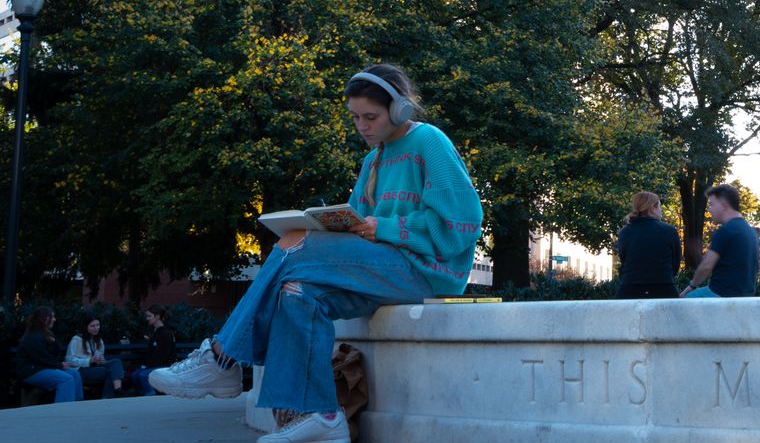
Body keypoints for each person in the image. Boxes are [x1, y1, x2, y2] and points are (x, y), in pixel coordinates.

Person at [150, 63, 483, 443]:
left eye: (370, 117)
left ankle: (221, 358)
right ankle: (322, 416)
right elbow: (359, 221)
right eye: (355, 117)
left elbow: (462, 224)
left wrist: (384, 227)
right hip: (380, 269)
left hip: (425, 271)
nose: (361, 126)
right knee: (298, 292)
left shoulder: (429, 141)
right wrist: (341, 226)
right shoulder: (372, 160)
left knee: (295, 243)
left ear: (399, 109)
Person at [680, 183, 759, 298]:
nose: (709, 209)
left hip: (721, 294)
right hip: (746, 296)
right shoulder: (750, 232)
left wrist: (691, 286)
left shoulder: (726, 230)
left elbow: (706, 266)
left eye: (712, 204)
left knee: (683, 301)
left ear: (724, 205)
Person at [615, 190, 682, 299]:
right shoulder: (669, 231)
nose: (661, 210)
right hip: (664, 288)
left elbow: (623, 259)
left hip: (630, 288)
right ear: (652, 208)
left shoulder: (625, 232)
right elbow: (675, 263)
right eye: (659, 206)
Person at [13, 307, 82, 402]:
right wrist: (60, 365)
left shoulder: (46, 334)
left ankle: (77, 405)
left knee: (74, 373)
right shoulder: (33, 336)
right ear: (45, 319)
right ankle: (64, 410)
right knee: (66, 379)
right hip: (31, 372)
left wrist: (54, 342)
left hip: (42, 367)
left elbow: (52, 355)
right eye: (52, 317)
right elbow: (42, 358)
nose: (54, 319)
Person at [65, 314, 127, 397]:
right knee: (109, 372)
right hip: (81, 370)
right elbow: (69, 360)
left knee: (116, 362)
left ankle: (117, 390)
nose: (96, 328)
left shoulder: (99, 340)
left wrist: (102, 360)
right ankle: (110, 397)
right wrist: (89, 361)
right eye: (92, 326)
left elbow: (100, 356)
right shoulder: (77, 340)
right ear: (86, 327)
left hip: (95, 367)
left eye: (98, 325)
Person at [128, 306, 179, 396]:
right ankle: (143, 393)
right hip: (153, 365)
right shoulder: (154, 331)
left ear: (157, 316)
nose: (147, 318)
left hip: (165, 366)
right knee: (135, 375)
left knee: (143, 375)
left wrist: (147, 366)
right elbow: (150, 352)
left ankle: (150, 395)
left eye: (149, 316)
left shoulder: (166, 333)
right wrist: (143, 365)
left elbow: (162, 356)